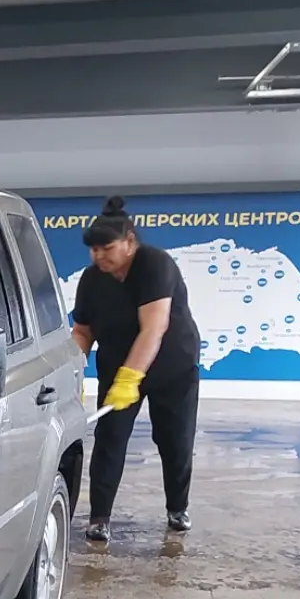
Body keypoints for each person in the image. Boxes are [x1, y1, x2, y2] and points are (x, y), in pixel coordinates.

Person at [72, 196, 202, 542]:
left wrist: (131, 378)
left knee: (174, 441)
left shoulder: (155, 265)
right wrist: (73, 368)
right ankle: (99, 517)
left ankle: (178, 508)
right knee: (109, 440)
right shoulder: (92, 279)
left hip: (172, 369)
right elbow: (83, 331)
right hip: (117, 367)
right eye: (94, 249)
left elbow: (154, 327)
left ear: (130, 242)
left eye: (107, 247)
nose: (99, 255)